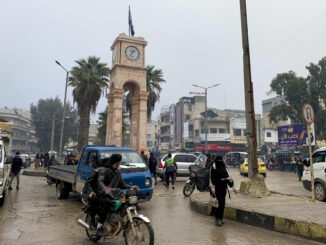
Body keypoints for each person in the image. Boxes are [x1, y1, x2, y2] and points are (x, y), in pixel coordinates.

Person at [82, 154, 139, 236]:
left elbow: (122, 184)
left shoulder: (117, 172)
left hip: (110, 193)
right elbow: (100, 183)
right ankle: (100, 225)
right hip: (99, 194)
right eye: (120, 161)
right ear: (117, 162)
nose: (120, 162)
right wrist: (107, 191)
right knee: (107, 202)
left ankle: (114, 221)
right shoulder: (103, 170)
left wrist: (131, 187)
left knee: (123, 201)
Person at [209, 155, 237, 226]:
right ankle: (217, 219)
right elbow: (210, 178)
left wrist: (233, 186)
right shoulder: (213, 167)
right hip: (216, 188)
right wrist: (212, 188)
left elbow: (228, 177)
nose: (219, 162)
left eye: (220, 160)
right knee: (219, 203)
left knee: (222, 203)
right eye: (218, 160)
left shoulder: (224, 167)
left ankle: (220, 218)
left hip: (224, 187)